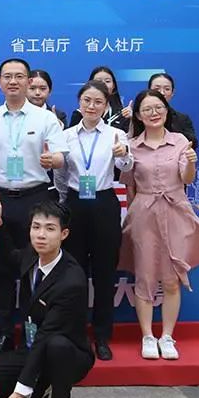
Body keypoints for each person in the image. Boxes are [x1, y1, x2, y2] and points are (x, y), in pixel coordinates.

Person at [0, 58, 69, 358]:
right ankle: (4, 334)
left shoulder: (45, 119)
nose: (13, 81)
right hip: (0, 199)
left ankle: (33, 334)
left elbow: (61, 157)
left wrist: (53, 160)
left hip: (35, 199)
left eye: (19, 76)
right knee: (0, 270)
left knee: (34, 270)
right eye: (7, 76)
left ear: (29, 81)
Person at [121, 89, 199, 361]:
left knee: (172, 278)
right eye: (147, 109)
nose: (154, 113)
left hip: (175, 210)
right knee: (145, 276)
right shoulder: (131, 145)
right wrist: (132, 217)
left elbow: (187, 179)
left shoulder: (180, 141)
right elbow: (129, 186)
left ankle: (167, 335)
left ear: (166, 110)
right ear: (138, 115)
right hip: (144, 212)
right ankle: (147, 336)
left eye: (158, 107)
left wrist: (191, 163)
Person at [0, 201, 94, 398]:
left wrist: (20, 392)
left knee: (56, 345)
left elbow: (47, 335)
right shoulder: (32, 255)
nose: (41, 235)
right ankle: (41, 388)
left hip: (69, 354)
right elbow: (12, 257)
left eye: (49, 228)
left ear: (64, 234)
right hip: (33, 346)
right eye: (36, 227)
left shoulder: (71, 281)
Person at [54, 81, 133, 361]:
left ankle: (101, 336)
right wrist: (64, 200)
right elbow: (60, 174)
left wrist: (124, 155)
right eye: (87, 100)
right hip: (75, 203)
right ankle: (75, 334)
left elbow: (126, 167)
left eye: (98, 102)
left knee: (104, 273)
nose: (92, 106)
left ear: (106, 105)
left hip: (103, 203)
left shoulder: (116, 134)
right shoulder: (66, 135)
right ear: (79, 102)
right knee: (73, 272)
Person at [69, 66, 131, 132]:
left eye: (107, 81)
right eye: (98, 81)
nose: (103, 84)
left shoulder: (122, 114)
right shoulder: (80, 113)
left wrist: (133, 120)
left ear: (114, 86)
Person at [148, 72, 198, 149]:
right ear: (149, 91)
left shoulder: (182, 118)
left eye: (167, 89)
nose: (162, 93)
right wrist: (130, 120)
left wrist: (168, 125)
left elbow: (193, 143)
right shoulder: (139, 116)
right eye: (157, 89)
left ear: (172, 93)